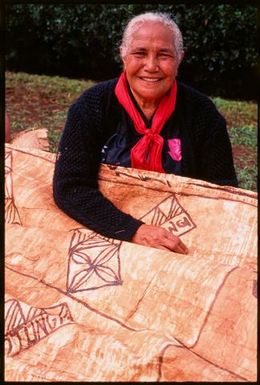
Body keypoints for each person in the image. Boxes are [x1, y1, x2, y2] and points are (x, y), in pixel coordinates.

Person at [53, 12, 238, 255]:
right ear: (123, 54)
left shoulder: (202, 113)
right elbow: (70, 187)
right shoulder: (92, 106)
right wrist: (134, 230)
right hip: (108, 228)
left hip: (180, 238)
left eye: (164, 55)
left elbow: (222, 193)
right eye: (140, 53)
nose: (151, 66)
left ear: (179, 58)